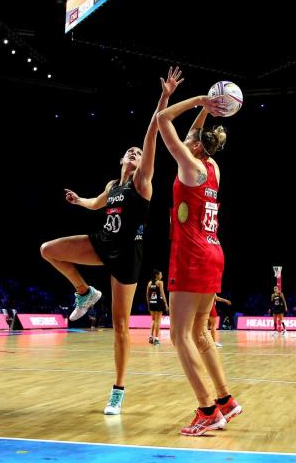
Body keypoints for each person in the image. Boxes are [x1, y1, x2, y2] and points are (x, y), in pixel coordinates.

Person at [40, 67, 183, 415]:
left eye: (138, 153)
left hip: (128, 255)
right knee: (49, 250)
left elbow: (150, 136)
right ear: (121, 160)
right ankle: (84, 292)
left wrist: (164, 98)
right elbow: (97, 203)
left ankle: (118, 390)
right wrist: (79, 201)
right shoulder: (112, 186)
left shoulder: (142, 183)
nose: (135, 153)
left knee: (120, 327)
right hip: (103, 241)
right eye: (129, 152)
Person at [156, 90, 241, 436]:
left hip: (191, 255)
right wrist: (206, 111)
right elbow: (193, 136)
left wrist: (195, 101)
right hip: (213, 251)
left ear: (194, 145)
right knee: (201, 332)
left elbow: (161, 120)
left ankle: (207, 410)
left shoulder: (189, 166)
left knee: (179, 335)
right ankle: (226, 400)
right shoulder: (213, 167)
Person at [147, 269, 169, 345]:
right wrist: (166, 304)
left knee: (153, 320)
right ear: (157, 275)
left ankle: (150, 337)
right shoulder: (160, 282)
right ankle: (156, 339)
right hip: (159, 303)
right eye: (160, 274)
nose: (161, 276)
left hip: (151, 303)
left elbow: (147, 295)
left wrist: (148, 303)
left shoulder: (149, 283)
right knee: (158, 321)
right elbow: (162, 294)